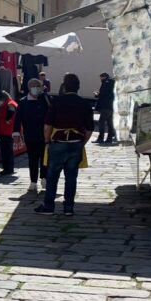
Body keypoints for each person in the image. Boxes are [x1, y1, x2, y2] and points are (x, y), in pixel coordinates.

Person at [35, 73, 94, 217]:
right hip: (76, 143)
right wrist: (82, 143)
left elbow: (47, 125)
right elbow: (89, 129)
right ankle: (68, 208)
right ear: (78, 87)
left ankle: (49, 206)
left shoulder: (57, 102)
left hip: (58, 143)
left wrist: (47, 141)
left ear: (64, 86)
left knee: (52, 176)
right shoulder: (85, 104)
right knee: (71, 177)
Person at [18, 78, 50, 193]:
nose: (35, 88)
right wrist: (16, 132)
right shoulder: (23, 101)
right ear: (29, 88)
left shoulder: (45, 99)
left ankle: (44, 178)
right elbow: (18, 118)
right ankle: (33, 181)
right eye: (33, 86)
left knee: (44, 158)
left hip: (44, 135)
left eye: (37, 86)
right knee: (32, 159)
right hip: (30, 135)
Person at [0, 90, 18, 176]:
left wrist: (8, 119)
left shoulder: (10, 103)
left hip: (7, 131)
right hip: (4, 131)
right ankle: (7, 168)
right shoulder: (7, 103)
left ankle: (8, 169)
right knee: (6, 151)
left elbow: (11, 111)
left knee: (7, 151)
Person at [95, 72, 117, 145]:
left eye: (101, 77)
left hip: (105, 106)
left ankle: (100, 138)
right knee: (110, 123)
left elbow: (103, 94)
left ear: (103, 77)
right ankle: (109, 139)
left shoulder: (106, 83)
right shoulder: (112, 83)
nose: (100, 79)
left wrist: (97, 94)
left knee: (101, 122)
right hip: (111, 106)